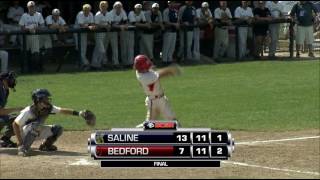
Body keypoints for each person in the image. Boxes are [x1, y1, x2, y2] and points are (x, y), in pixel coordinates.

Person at [12, 89, 96, 156]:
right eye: (45, 98)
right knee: (36, 125)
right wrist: (20, 142)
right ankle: (24, 148)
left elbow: (62, 110)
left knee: (57, 129)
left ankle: (45, 146)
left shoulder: (48, 108)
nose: (48, 100)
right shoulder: (28, 111)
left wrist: (79, 113)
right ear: (39, 100)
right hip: (24, 134)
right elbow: (15, 124)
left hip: (36, 130)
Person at [134, 55, 180, 128]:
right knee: (150, 125)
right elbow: (163, 73)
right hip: (153, 102)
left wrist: (150, 68)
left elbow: (151, 70)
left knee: (174, 121)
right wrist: (172, 69)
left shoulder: (139, 72)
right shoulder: (146, 77)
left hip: (160, 99)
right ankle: (139, 130)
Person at [19, 1, 45, 73]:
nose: (32, 8)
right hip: (26, 37)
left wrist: (35, 28)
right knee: (25, 53)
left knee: (36, 54)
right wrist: (28, 29)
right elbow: (21, 27)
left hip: (35, 36)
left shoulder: (39, 15)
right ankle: (24, 70)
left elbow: (42, 26)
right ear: (28, 8)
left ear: (35, 7)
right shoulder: (24, 15)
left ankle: (35, 69)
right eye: (30, 7)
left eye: (33, 7)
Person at [0, 71, 22, 148]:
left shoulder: (5, 90)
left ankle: (5, 139)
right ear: (4, 80)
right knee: (1, 121)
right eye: (11, 79)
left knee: (18, 119)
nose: (13, 81)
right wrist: (17, 109)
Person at [75, 4, 96, 71]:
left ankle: (82, 64)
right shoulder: (80, 14)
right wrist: (89, 26)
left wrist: (92, 26)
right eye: (85, 9)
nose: (86, 11)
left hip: (84, 33)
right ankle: (86, 63)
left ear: (90, 10)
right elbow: (81, 24)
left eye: (88, 9)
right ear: (83, 9)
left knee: (83, 49)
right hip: (77, 32)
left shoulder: (91, 14)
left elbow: (92, 23)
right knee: (80, 48)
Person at [91, 1, 111, 70]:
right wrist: (104, 25)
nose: (103, 7)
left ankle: (94, 65)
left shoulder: (109, 14)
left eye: (105, 5)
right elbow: (96, 25)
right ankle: (98, 65)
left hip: (106, 34)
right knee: (101, 50)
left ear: (107, 6)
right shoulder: (97, 14)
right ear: (100, 7)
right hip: (98, 34)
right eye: (102, 6)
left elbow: (109, 23)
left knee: (98, 50)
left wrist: (108, 25)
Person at [108, 1, 128, 67]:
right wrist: (120, 26)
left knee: (124, 44)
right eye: (117, 7)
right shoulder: (111, 13)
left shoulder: (123, 11)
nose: (118, 8)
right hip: (111, 31)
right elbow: (111, 24)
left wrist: (125, 25)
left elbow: (125, 21)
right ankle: (115, 63)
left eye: (120, 6)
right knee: (114, 46)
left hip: (120, 30)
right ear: (114, 7)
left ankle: (124, 62)